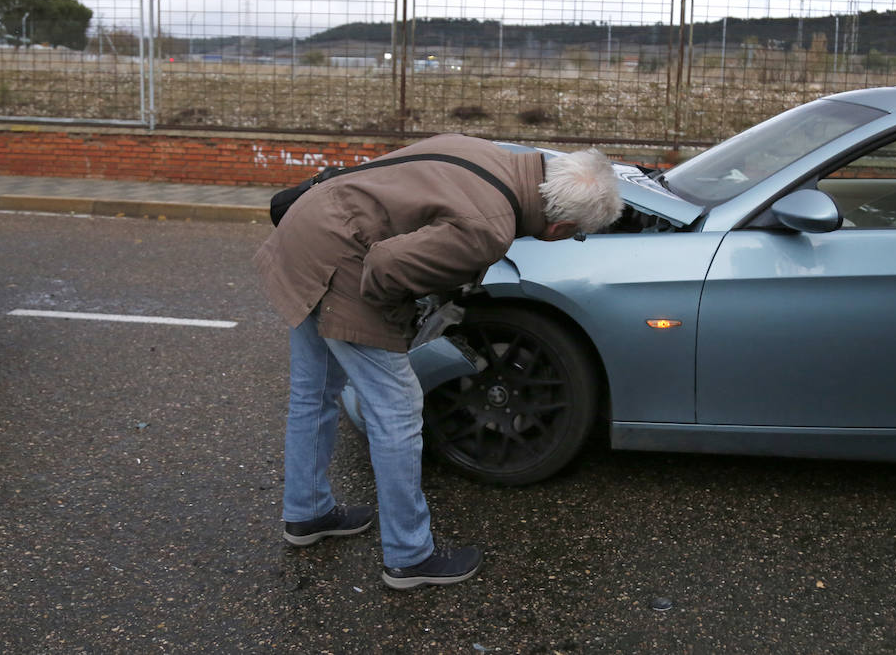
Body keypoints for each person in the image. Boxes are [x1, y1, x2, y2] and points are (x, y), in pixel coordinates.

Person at [254, 133, 623, 590]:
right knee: (398, 410)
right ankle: (409, 557)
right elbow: (386, 267)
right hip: (345, 260)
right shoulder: (488, 229)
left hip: (308, 232)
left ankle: (307, 512)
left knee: (315, 390)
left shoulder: (491, 154)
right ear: (560, 229)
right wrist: (394, 327)